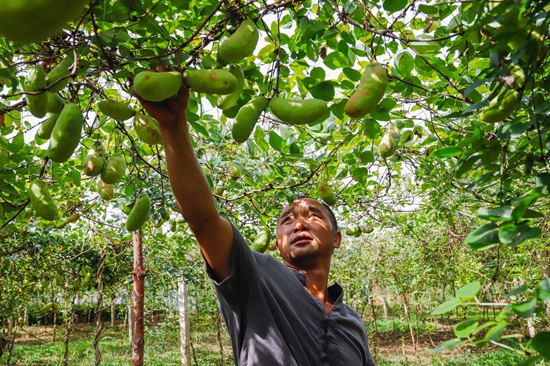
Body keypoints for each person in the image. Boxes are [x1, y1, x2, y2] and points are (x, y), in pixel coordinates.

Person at [133, 66, 376, 366]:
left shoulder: (351, 320)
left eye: (313, 215)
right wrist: (172, 126)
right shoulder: (256, 275)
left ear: (337, 238)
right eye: (287, 220)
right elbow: (204, 221)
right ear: (276, 243)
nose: (299, 223)